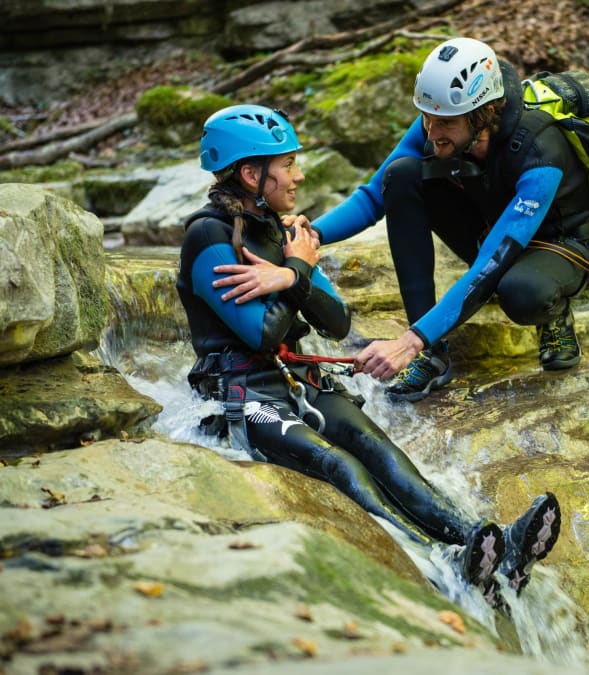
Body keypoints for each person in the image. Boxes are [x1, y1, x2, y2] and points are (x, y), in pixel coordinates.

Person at [176, 103, 561, 601]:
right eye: (288, 165)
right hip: (243, 396)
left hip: (300, 386)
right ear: (252, 174)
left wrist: (293, 272)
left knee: (380, 450)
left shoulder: (281, 229)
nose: (299, 174)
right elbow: (264, 337)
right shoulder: (206, 236)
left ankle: (487, 543)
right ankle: (445, 558)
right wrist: (297, 272)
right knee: (340, 466)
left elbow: (337, 323)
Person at [311, 37, 589, 402]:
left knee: (521, 291)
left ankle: (554, 316)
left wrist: (409, 340)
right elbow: (373, 197)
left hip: (564, 246)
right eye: (426, 118)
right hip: (496, 232)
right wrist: (310, 233)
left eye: (445, 123)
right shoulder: (442, 122)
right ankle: (433, 357)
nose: (432, 135)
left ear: (483, 115)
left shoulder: (541, 148)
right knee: (402, 175)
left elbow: (490, 265)